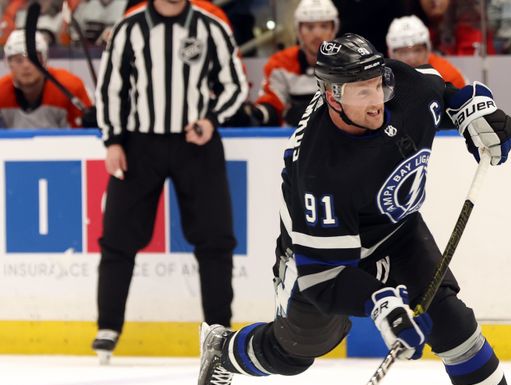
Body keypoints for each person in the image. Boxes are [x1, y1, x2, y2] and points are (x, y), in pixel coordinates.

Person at [196, 33, 511, 385]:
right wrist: (382, 304)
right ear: (332, 96)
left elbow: (451, 92)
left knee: (452, 321)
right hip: (323, 253)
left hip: (398, 233)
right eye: (361, 92)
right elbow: (324, 281)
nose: (376, 99)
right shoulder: (319, 167)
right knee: (297, 350)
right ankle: (223, 350)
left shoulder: (404, 88)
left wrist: (478, 113)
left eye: (377, 84)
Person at [92, 0, 248, 364]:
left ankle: (218, 329)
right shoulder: (129, 28)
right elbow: (111, 88)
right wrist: (113, 140)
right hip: (138, 143)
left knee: (215, 238)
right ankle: (108, 326)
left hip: (196, 142)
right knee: (117, 236)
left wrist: (211, 119)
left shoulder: (211, 27)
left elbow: (234, 84)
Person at [250, 0, 339, 127]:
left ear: (333, 30)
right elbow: (272, 104)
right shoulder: (280, 64)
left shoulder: (349, 64)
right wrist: (259, 114)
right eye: (309, 27)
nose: (317, 34)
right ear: (299, 32)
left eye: (324, 26)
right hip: (292, 139)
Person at [0, 29, 93, 128]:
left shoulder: (71, 86)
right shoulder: (1, 91)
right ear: (8, 63)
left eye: (34, 59)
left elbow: (84, 134)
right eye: (19, 60)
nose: (26, 66)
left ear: (45, 60)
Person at [386, 14, 466, 88]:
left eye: (417, 50)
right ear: (391, 54)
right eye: (403, 52)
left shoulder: (447, 75)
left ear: (428, 50)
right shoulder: (382, 80)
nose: (412, 58)